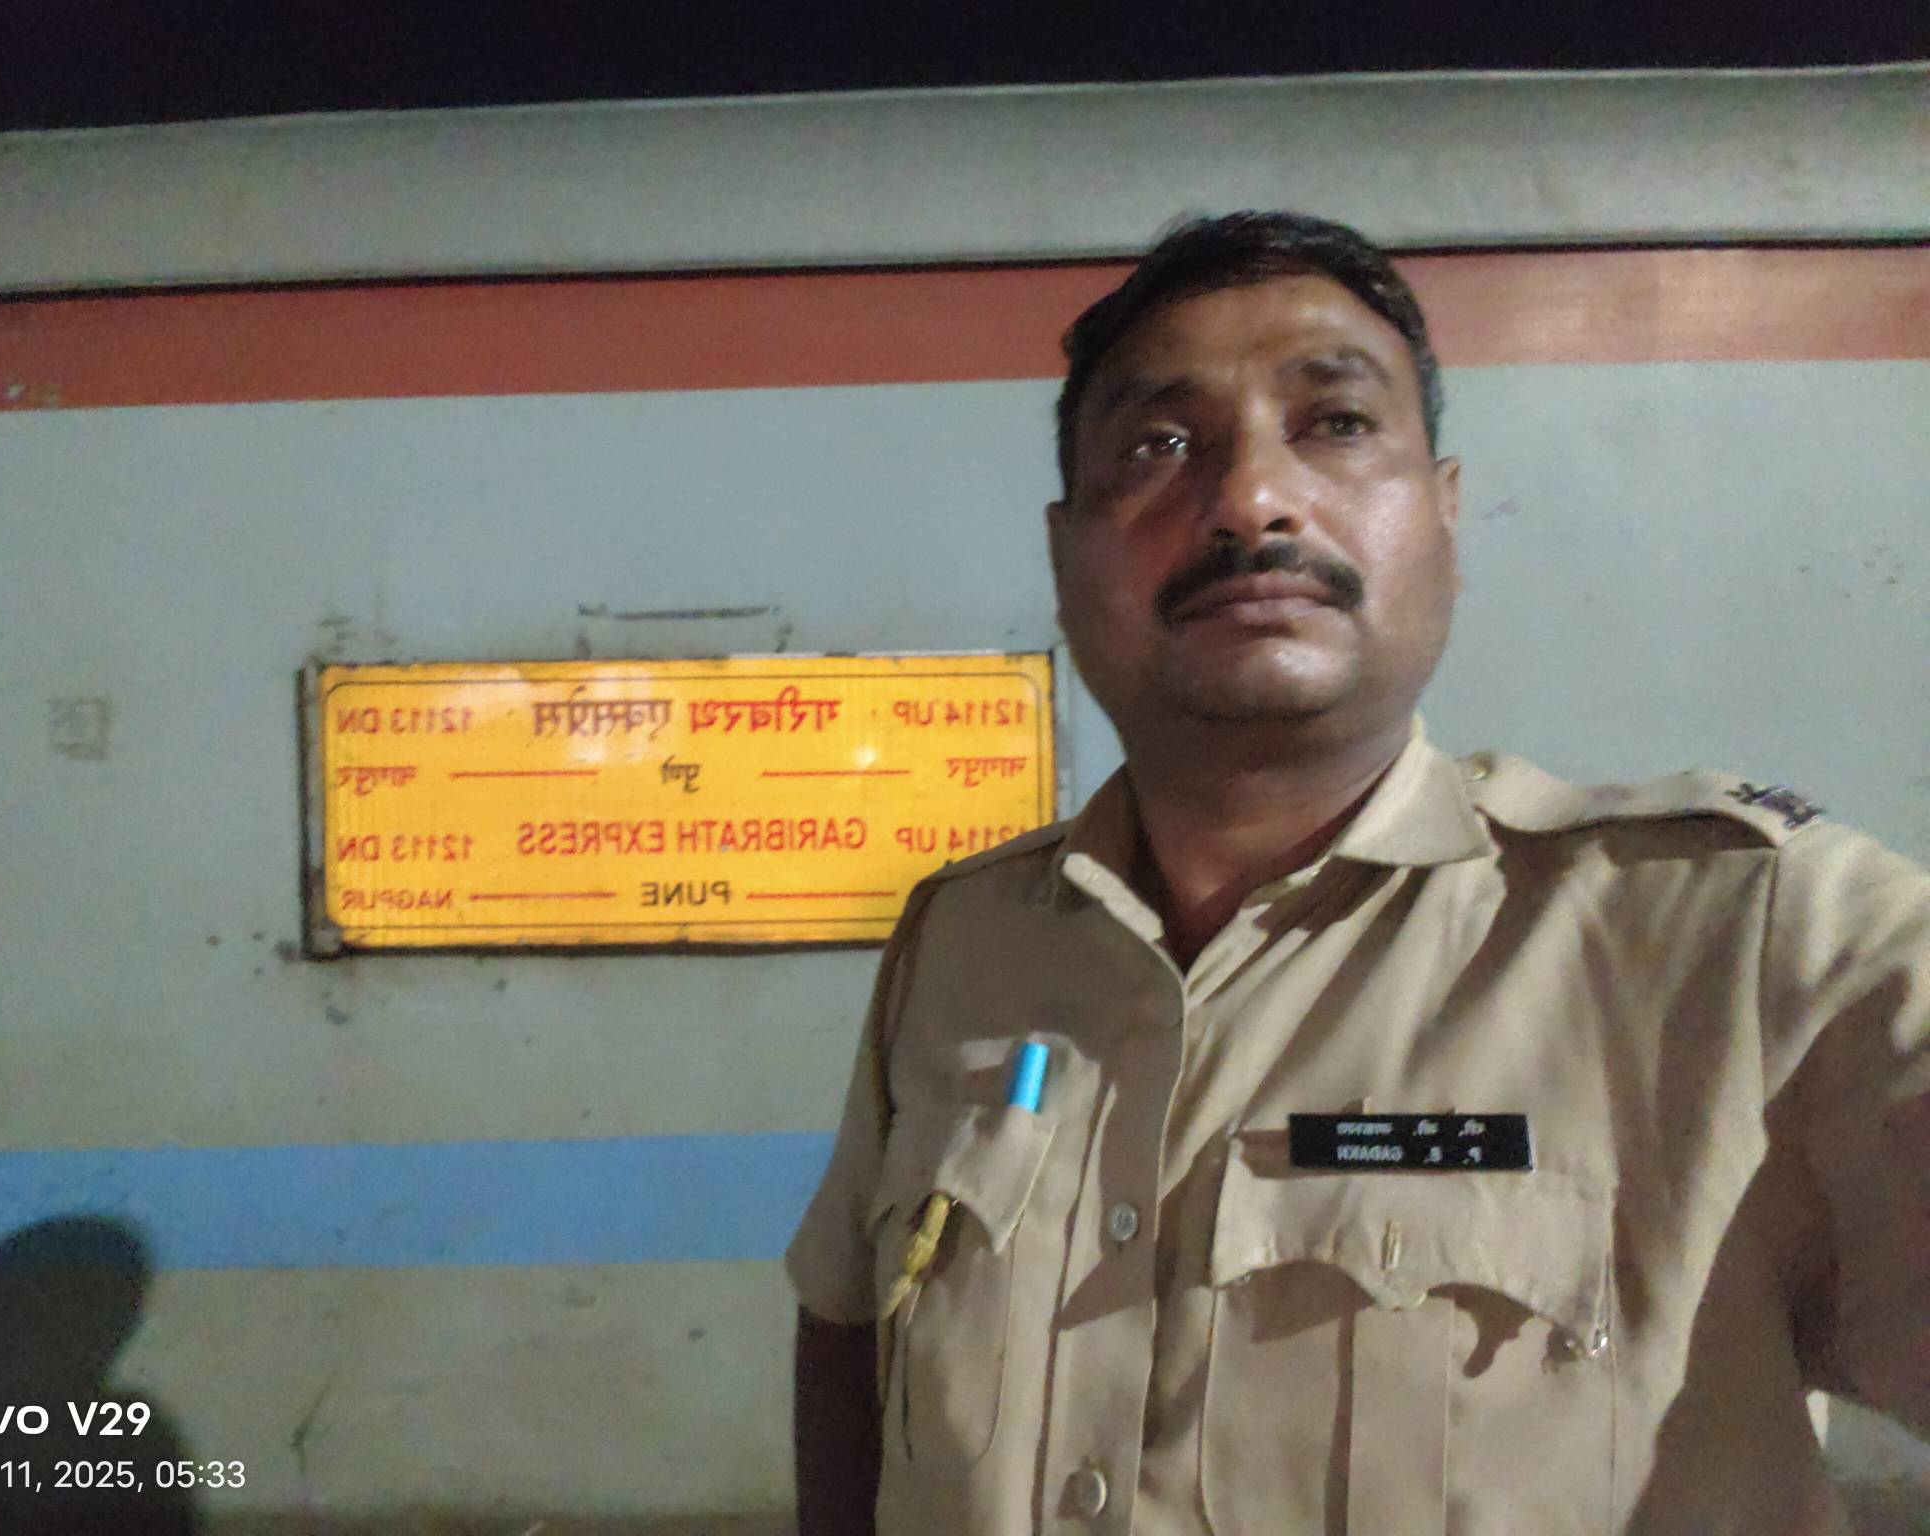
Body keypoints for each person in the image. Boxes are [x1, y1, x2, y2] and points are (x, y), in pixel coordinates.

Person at [784, 211, 1929, 1535]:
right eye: (1158, 445)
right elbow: (849, 1332)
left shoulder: (1745, 938)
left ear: (1442, 512)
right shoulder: (964, 941)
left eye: (1333, 423)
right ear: (1064, 552)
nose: (1248, 500)